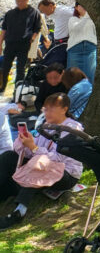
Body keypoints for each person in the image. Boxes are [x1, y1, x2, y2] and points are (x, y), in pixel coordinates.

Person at [0, 93, 83, 229]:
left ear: (64, 109)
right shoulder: (45, 125)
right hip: (39, 168)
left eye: (52, 109)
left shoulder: (73, 129)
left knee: (39, 162)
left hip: (65, 174)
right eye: (46, 109)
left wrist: (34, 147)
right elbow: (28, 152)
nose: (47, 112)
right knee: (9, 156)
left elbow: (58, 158)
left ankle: (19, 212)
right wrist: (24, 143)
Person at [0, 0, 42, 93]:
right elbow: (4, 29)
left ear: (27, 0)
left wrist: (32, 38)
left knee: (21, 68)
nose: (20, 3)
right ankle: (2, 87)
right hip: (10, 43)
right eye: (18, 1)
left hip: (24, 43)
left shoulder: (34, 12)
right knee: (5, 67)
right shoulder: (10, 13)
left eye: (22, 1)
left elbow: (37, 28)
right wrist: (0, 43)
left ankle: (18, 90)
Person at [66, 3, 97, 84]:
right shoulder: (72, 19)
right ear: (76, 7)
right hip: (75, 49)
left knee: (90, 75)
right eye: (81, 5)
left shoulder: (93, 19)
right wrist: (86, 15)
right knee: (73, 76)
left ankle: (89, 96)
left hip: (90, 48)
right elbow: (76, 28)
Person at [37, 0, 73, 66]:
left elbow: (76, 14)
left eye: (44, 10)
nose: (44, 13)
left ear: (51, 6)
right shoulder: (54, 14)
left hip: (65, 42)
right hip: (58, 43)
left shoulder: (63, 11)